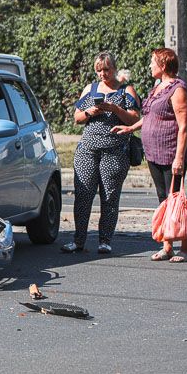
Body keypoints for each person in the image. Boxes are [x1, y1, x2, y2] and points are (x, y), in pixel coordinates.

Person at [112, 47, 187, 262]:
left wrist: (179, 157)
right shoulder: (158, 87)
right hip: (154, 153)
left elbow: (184, 126)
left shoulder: (178, 90)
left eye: (153, 62)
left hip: (171, 153)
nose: (150, 66)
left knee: (175, 200)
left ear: (163, 65)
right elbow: (149, 116)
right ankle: (167, 246)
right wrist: (131, 128)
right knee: (163, 199)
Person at [61, 52, 140, 255]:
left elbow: (134, 119)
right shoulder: (90, 89)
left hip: (115, 151)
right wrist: (90, 112)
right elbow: (77, 118)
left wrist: (114, 109)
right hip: (87, 150)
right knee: (83, 195)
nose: (103, 74)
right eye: (99, 70)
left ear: (114, 68)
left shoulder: (125, 91)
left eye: (106, 69)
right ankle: (78, 240)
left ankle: (105, 241)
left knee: (110, 196)